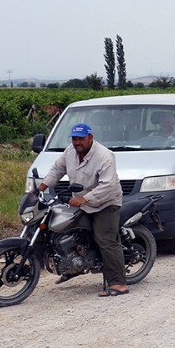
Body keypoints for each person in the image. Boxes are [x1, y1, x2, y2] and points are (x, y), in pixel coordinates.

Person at [38, 123, 129, 297]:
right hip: (80, 201)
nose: (77, 142)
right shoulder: (70, 152)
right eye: (74, 139)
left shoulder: (104, 156)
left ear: (90, 138)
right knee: (64, 230)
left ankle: (118, 283)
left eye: (81, 138)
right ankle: (71, 267)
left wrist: (84, 199)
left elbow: (107, 185)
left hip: (105, 202)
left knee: (105, 239)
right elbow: (57, 169)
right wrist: (41, 186)